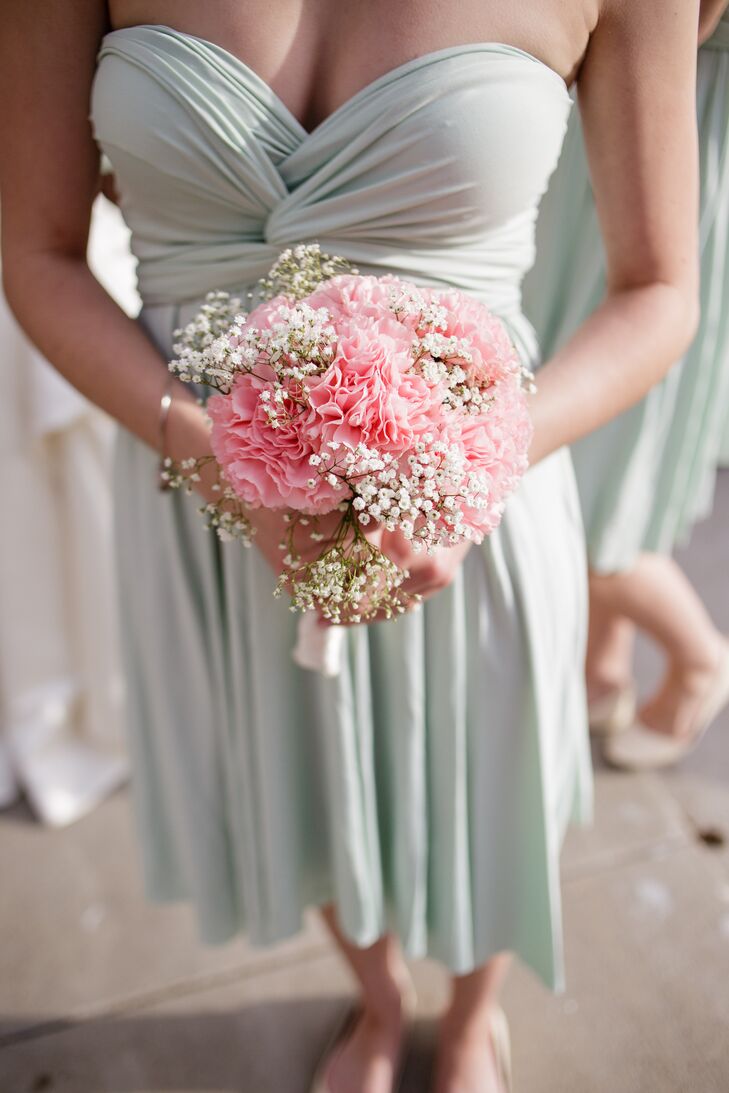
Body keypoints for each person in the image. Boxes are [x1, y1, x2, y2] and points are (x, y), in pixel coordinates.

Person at [0, 3, 699, 1091]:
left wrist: (460, 474)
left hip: (478, 495)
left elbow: (660, 290)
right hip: (201, 490)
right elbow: (37, 252)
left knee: (490, 784)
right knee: (293, 785)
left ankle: (473, 1020)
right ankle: (378, 998)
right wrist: (226, 460)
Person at [524, 0, 729, 771]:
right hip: (581, 131)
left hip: (677, 126)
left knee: (582, 485)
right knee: (586, 432)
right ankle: (598, 670)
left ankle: (697, 656)